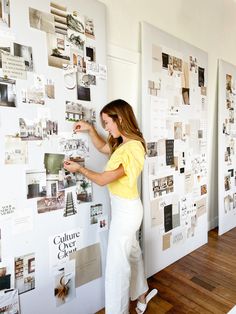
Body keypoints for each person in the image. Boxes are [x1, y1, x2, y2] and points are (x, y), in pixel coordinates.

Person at [63, 99, 157, 314]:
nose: (106, 128)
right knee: (132, 252)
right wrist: (90, 129)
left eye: (107, 123)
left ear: (120, 119)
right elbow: (102, 146)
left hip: (127, 213)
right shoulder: (121, 142)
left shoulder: (133, 147)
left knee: (117, 269)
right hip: (125, 209)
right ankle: (142, 293)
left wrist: (80, 169)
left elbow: (106, 178)